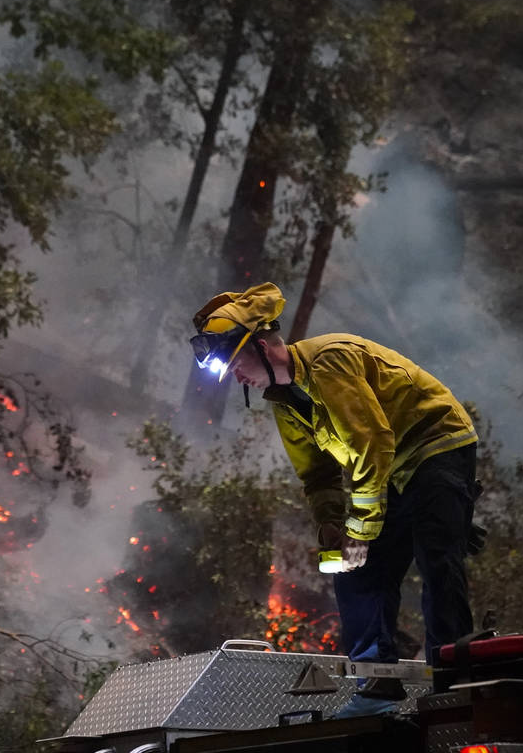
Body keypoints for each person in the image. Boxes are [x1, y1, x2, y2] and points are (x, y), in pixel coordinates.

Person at [190, 282, 481, 717]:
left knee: (435, 556)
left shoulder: (330, 362)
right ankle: (377, 684)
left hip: (434, 446)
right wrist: (331, 524)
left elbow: (372, 443)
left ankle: (452, 678)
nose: (236, 377)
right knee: (353, 569)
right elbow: (317, 472)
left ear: (266, 347)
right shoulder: (284, 402)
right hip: (388, 468)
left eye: (237, 363)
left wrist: (361, 528)